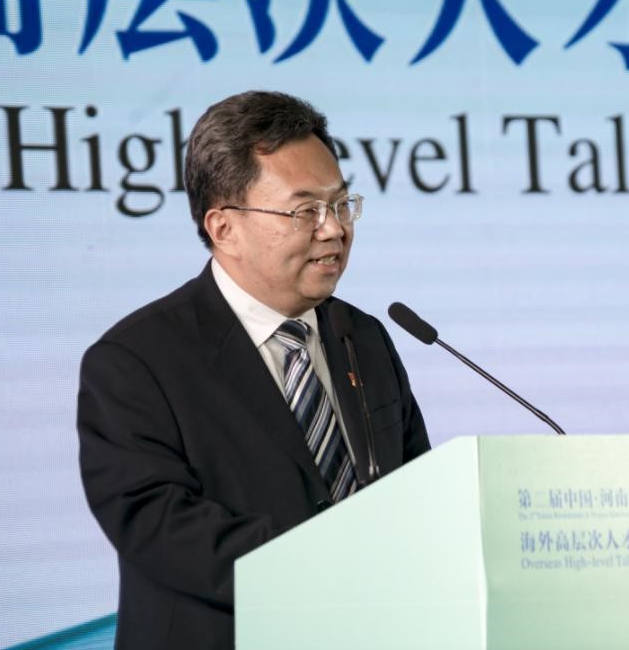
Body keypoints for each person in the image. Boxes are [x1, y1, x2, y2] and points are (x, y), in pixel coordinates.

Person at [78, 91, 430, 649]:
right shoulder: (136, 362)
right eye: (304, 211)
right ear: (224, 228)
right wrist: (333, 568)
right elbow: (160, 527)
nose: (334, 229)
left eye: (341, 204)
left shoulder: (363, 337)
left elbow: (418, 490)